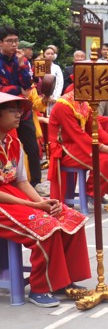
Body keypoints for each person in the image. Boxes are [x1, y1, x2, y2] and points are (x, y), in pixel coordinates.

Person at [0, 92, 90, 307]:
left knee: (70, 218)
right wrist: (33, 206)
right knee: (45, 226)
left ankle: (62, 281)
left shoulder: (14, 142)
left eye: (18, 109)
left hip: (15, 195)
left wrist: (43, 201)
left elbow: (21, 181)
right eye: (12, 110)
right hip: (4, 201)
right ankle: (39, 287)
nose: (18, 114)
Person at [47, 84, 108, 205]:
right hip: (63, 147)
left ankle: (96, 191)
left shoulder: (84, 104)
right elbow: (77, 134)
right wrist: (104, 148)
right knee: (104, 159)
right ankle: (91, 192)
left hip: (77, 144)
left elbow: (96, 130)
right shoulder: (63, 105)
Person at [0, 26, 41, 186]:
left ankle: (35, 183)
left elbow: (28, 84)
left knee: (32, 148)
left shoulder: (21, 60)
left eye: (16, 41)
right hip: (3, 111)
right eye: (10, 41)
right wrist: (17, 89)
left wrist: (22, 64)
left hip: (22, 110)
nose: (14, 44)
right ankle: (8, 183)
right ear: (1, 43)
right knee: (7, 146)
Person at [42, 45, 64, 114]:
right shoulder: (39, 66)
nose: (50, 55)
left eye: (52, 54)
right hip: (41, 97)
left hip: (53, 96)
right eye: (48, 54)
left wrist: (56, 97)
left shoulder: (57, 68)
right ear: (43, 54)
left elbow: (60, 83)